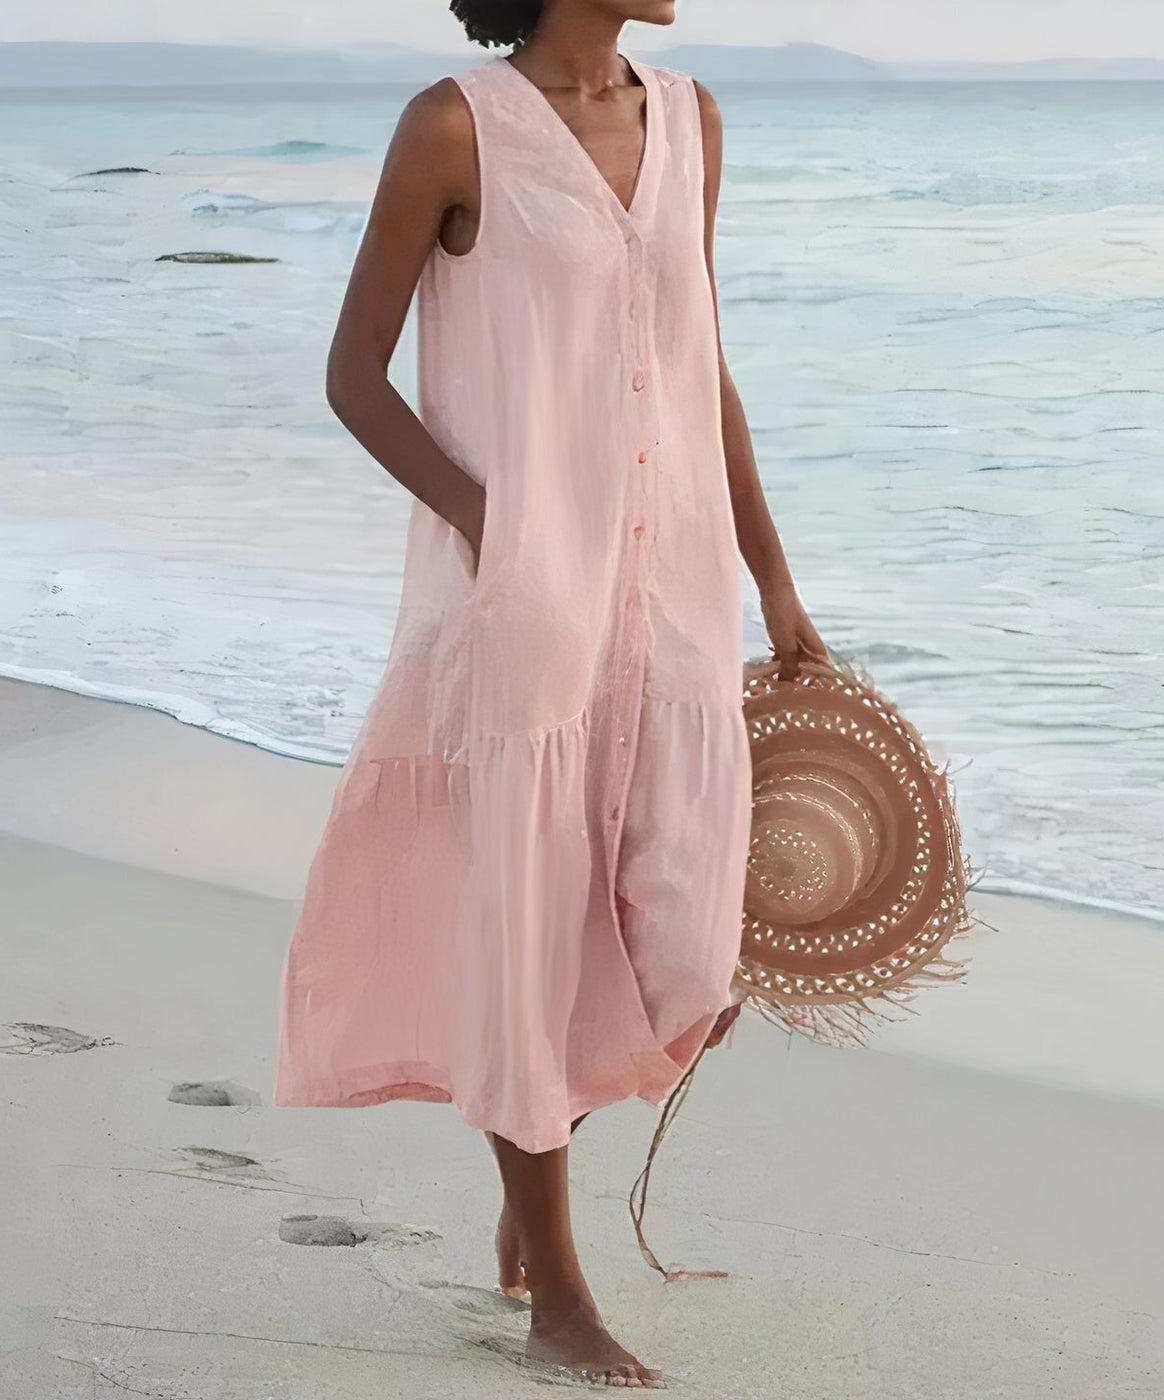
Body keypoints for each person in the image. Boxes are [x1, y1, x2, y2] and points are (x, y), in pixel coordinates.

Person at [276, 0, 828, 1387]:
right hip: (527, 613)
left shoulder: (689, 118)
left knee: (689, 943)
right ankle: (558, 1293)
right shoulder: (455, 128)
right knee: (529, 936)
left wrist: (775, 583)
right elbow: (354, 376)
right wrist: (497, 530)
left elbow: (702, 369)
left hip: (680, 601)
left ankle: (532, 1192)